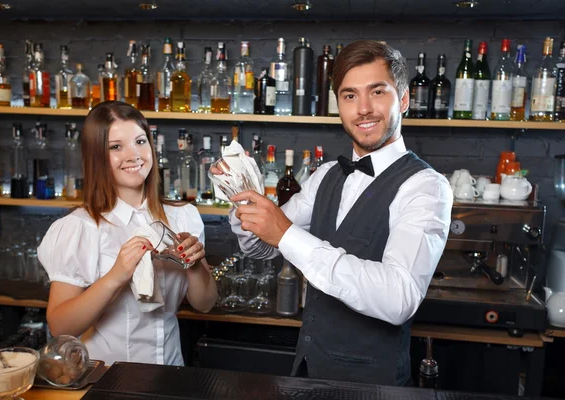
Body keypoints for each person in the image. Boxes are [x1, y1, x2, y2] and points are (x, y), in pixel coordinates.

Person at [214, 40, 453, 386]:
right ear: (338, 105)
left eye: (378, 92)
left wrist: (284, 232)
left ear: (403, 99)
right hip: (307, 373)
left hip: (372, 386)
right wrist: (244, 203)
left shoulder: (426, 187)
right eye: (350, 96)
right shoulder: (326, 175)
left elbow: (400, 297)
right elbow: (263, 247)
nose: (364, 109)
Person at [38, 101, 217, 366]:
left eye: (140, 141)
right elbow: (60, 327)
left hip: (171, 372)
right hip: (104, 379)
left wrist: (194, 265)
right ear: (96, 156)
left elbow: (205, 303)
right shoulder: (79, 227)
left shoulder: (183, 216)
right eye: (115, 147)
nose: (134, 155)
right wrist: (115, 276)